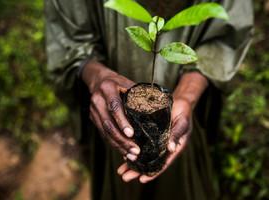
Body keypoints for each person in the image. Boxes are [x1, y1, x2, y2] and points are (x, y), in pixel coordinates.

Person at [45, 0, 253, 199]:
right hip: (113, 101)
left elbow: (226, 35)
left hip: (178, 106)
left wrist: (188, 96)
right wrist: (96, 76)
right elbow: (69, 32)